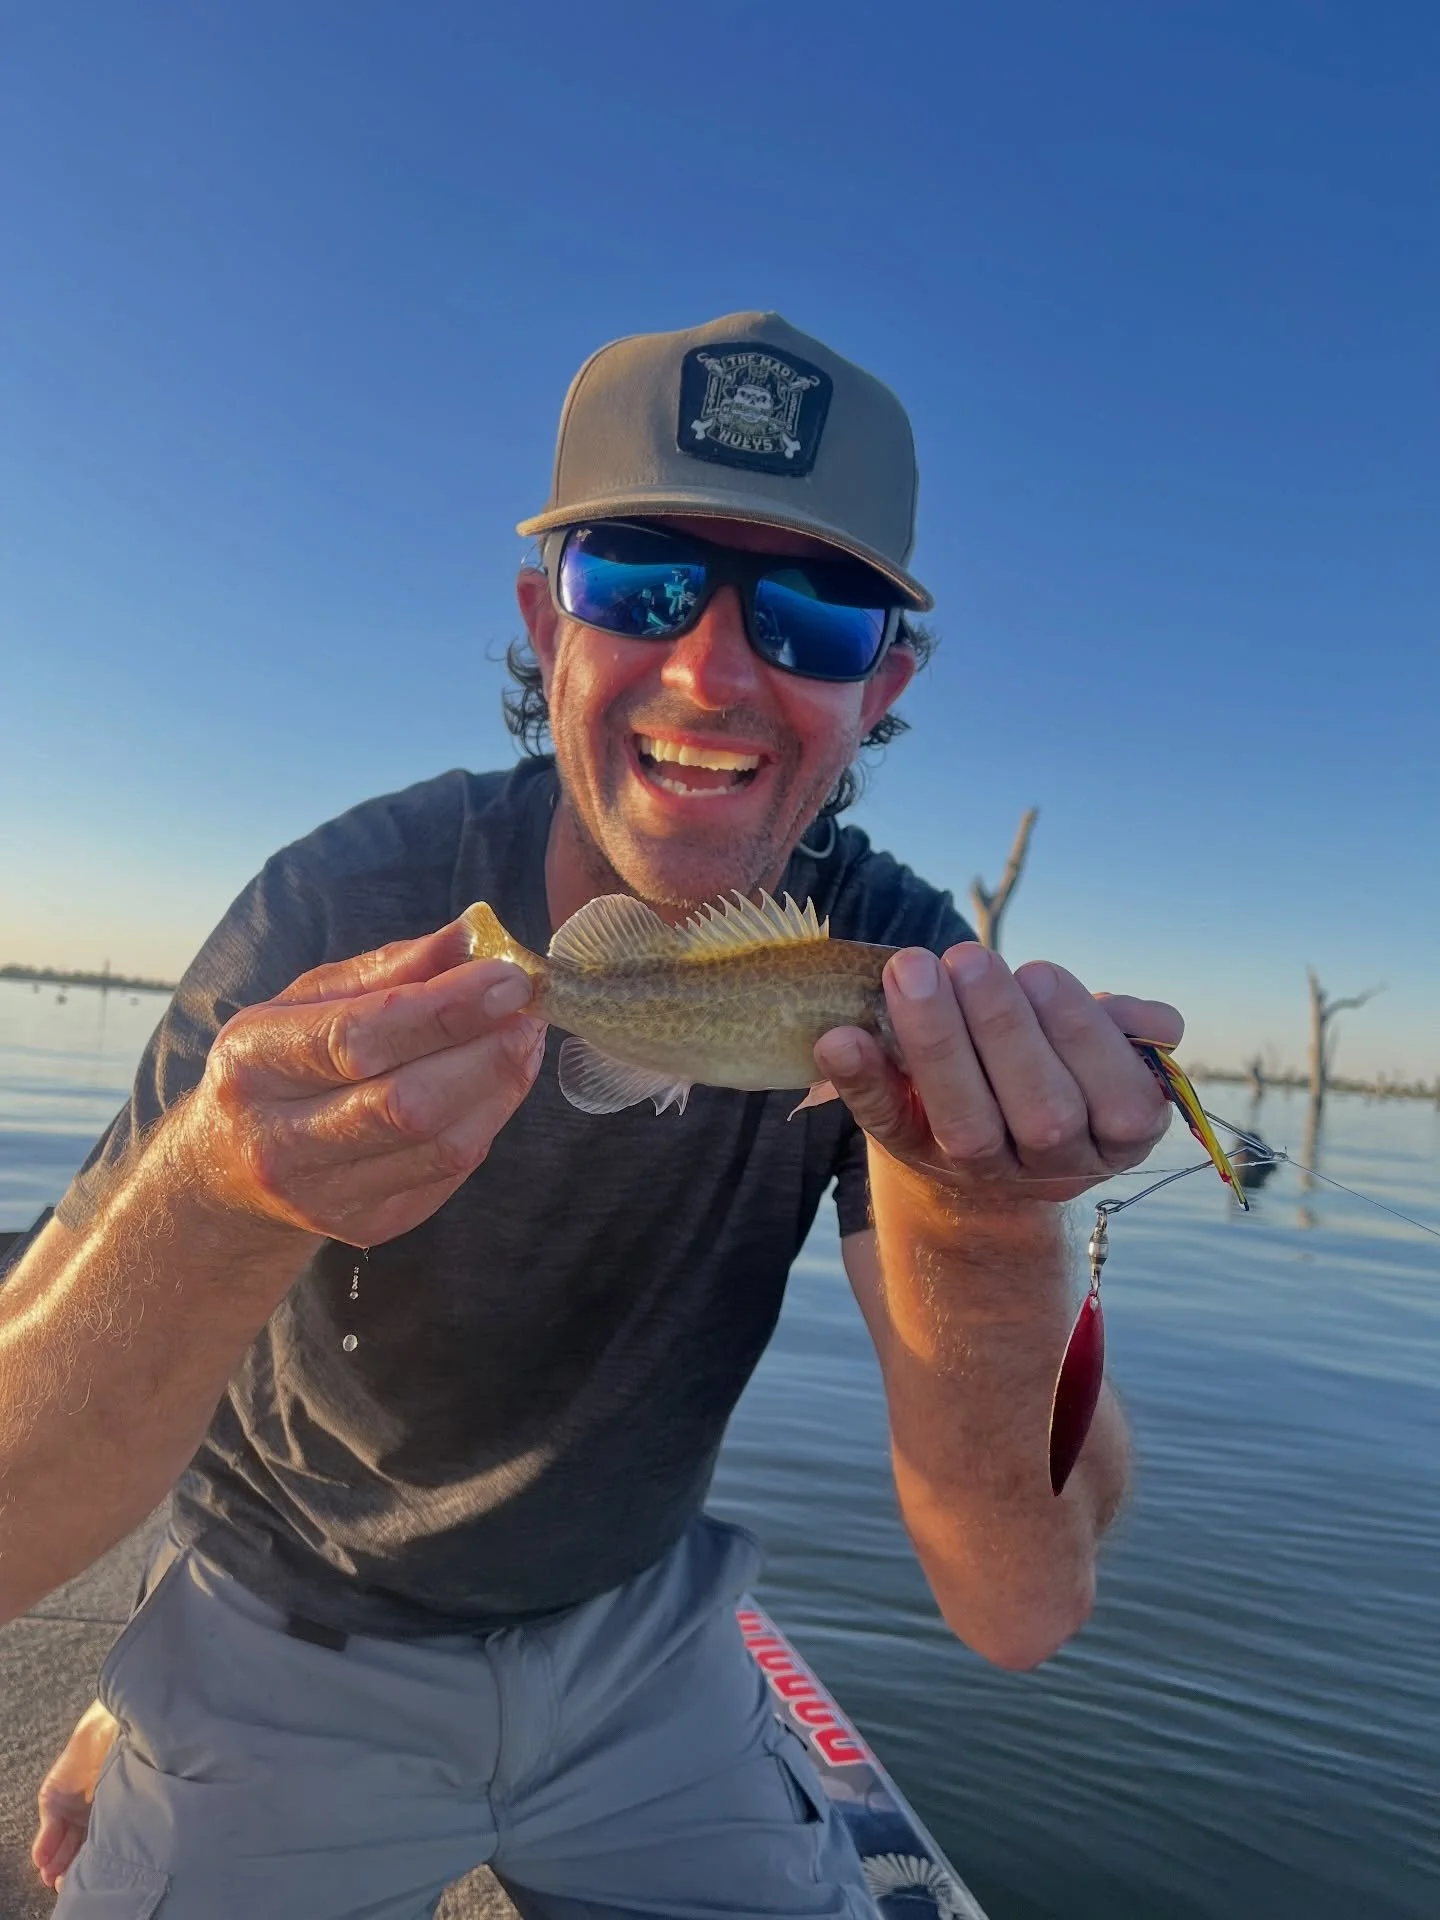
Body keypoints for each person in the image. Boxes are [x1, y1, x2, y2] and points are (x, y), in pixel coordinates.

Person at [4, 311, 1177, 1918]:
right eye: (636, 582)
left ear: (880, 683)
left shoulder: (907, 967)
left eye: (814, 616)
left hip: (643, 1640)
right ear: (543, 625)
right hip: (293, 1625)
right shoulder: (340, 907)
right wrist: (219, 1190)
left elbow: (1019, 1608)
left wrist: (987, 1214)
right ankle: (151, 1683)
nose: (713, 670)